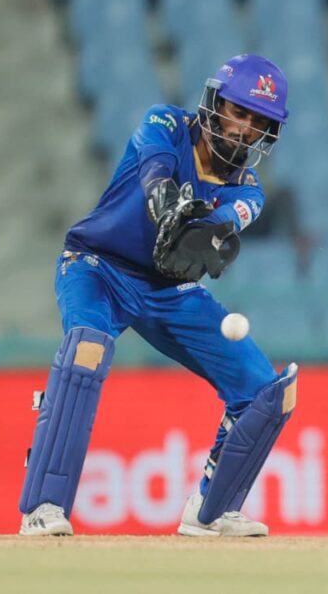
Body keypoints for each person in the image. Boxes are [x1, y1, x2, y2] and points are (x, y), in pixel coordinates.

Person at [19, 54, 299, 537]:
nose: (244, 130)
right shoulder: (165, 123)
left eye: (258, 123)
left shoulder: (250, 191)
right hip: (97, 266)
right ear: (215, 103)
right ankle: (43, 507)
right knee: (86, 350)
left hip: (169, 290)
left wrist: (206, 230)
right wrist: (166, 201)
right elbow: (156, 168)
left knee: (266, 390)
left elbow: (222, 222)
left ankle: (210, 512)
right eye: (239, 112)